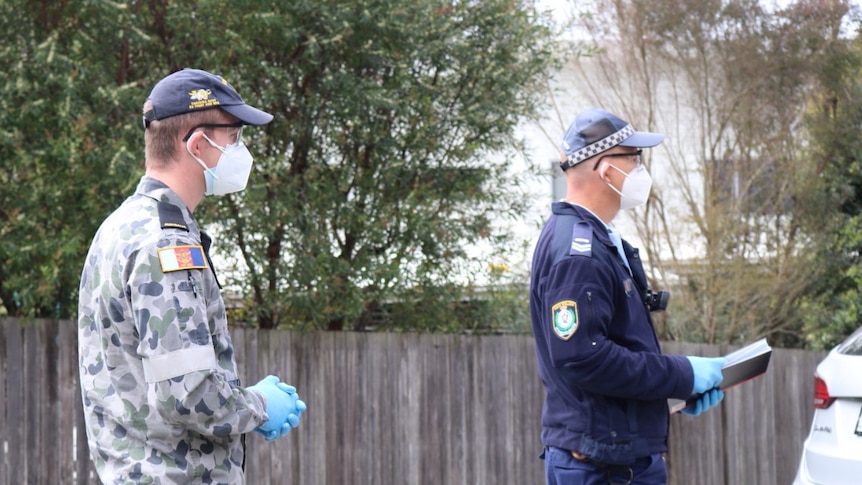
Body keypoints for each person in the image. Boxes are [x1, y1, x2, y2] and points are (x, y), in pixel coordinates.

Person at [77, 68, 307, 484]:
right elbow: (189, 393)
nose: (241, 149)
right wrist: (258, 405)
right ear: (198, 144)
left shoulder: (118, 227)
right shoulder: (167, 244)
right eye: (233, 135)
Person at [529, 108, 726, 484]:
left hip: (619, 458)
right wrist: (682, 373)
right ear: (606, 169)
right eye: (633, 159)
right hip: (603, 468)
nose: (640, 170)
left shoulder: (595, 239)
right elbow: (583, 357)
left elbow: (612, 355)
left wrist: (674, 390)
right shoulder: (577, 252)